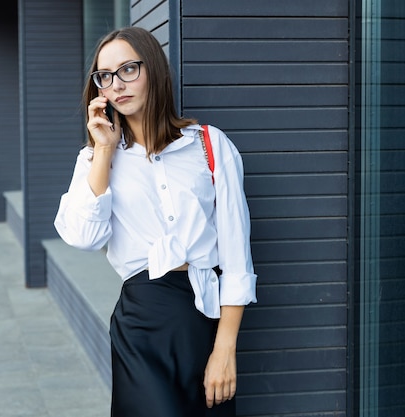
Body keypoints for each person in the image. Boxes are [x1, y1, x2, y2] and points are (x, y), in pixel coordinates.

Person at [54, 26, 257, 417]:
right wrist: (104, 151)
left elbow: (237, 256)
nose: (116, 84)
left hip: (203, 316)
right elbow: (82, 236)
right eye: (105, 76)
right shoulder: (96, 159)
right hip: (141, 321)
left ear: (154, 70)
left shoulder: (209, 145)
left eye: (128, 69)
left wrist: (225, 348)